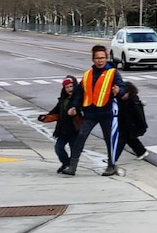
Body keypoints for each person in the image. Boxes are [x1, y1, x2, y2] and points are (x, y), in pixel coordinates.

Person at [62, 43, 131, 176]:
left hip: (107, 113)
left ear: (106, 58)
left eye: (102, 58)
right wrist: (74, 106)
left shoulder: (113, 73)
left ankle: (111, 166)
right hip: (90, 113)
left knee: (109, 140)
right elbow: (79, 93)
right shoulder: (87, 74)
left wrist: (119, 90)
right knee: (81, 137)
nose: (100, 60)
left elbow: (122, 87)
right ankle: (72, 166)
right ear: (93, 59)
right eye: (97, 58)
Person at [45, 76, 78, 172]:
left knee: (74, 149)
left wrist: (76, 112)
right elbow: (55, 111)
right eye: (67, 87)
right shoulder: (63, 99)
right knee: (58, 148)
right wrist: (46, 117)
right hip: (62, 129)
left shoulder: (78, 99)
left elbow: (82, 111)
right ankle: (66, 164)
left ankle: (71, 167)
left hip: (74, 129)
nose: (69, 89)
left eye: (71, 86)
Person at [115, 84, 148, 159]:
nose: (121, 96)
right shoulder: (122, 100)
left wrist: (141, 126)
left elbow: (139, 115)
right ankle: (141, 151)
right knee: (130, 139)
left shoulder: (133, 101)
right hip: (125, 124)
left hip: (130, 125)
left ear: (128, 92)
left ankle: (113, 159)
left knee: (121, 142)